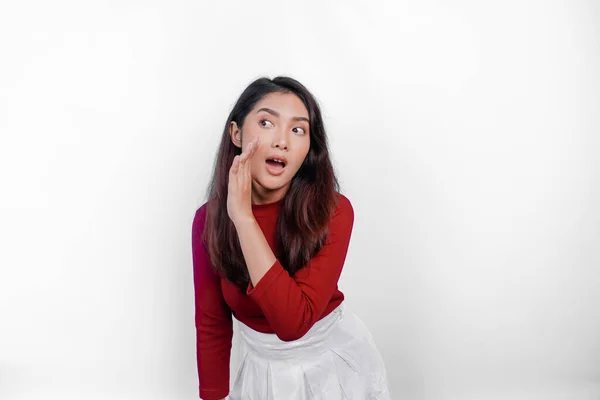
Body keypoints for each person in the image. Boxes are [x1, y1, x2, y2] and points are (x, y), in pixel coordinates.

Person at [191, 76, 391, 400]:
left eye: (298, 129)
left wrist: (243, 219)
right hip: (260, 375)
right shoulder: (207, 220)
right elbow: (212, 323)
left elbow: (292, 323)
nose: (282, 140)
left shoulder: (335, 211)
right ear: (237, 134)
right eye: (267, 122)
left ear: (309, 147)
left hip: (332, 372)